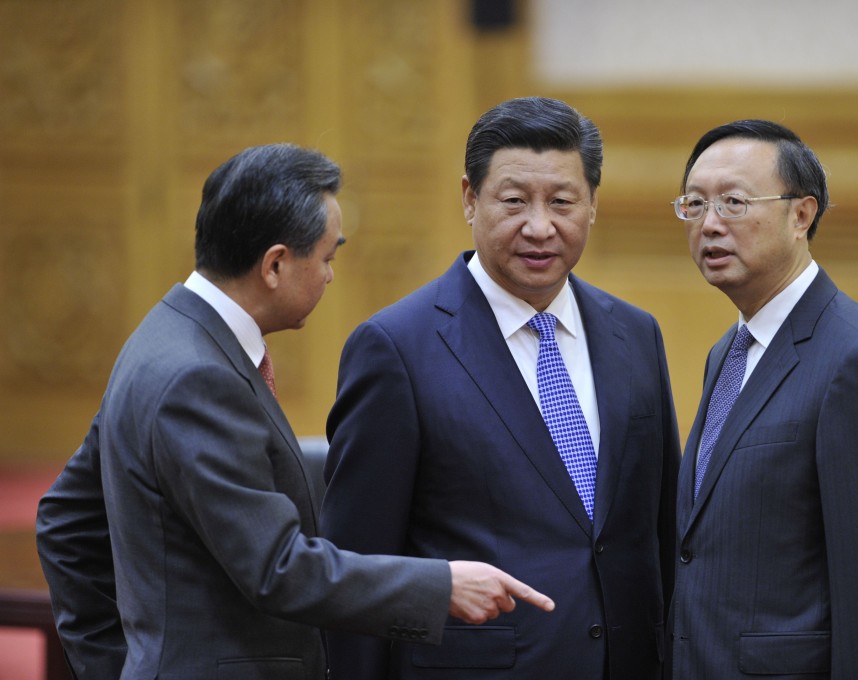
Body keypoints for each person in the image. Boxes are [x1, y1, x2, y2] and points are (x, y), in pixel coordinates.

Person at [35, 143, 554, 680]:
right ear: (276, 264)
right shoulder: (197, 376)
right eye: (327, 258)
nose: (330, 276)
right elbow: (276, 567)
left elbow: (65, 522)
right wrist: (440, 586)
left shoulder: (161, 336)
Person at [319, 97, 681, 679]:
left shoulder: (635, 334)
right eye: (514, 201)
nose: (539, 227)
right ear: (470, 198)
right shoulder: (396, 346)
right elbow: (356, 568)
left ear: (593, 205)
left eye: (562, 202)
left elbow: (658, 531)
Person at [667, 119, 858, 679]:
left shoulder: (856, 360)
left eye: (734, 203)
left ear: (801, 214)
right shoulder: (730, 351)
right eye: (694, 205)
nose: (710, 225)